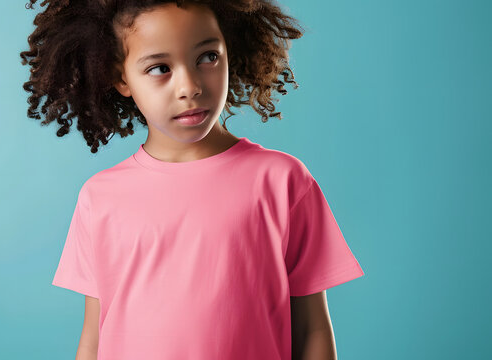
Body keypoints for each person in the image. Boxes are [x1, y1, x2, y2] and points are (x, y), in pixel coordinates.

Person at [20, 1, 365, 359]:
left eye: (207, 58)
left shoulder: (282, 182)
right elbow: (94, 334)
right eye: (159, 68)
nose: (189, 86)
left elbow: (311, 330)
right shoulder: (100, 197)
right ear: (121, 77)